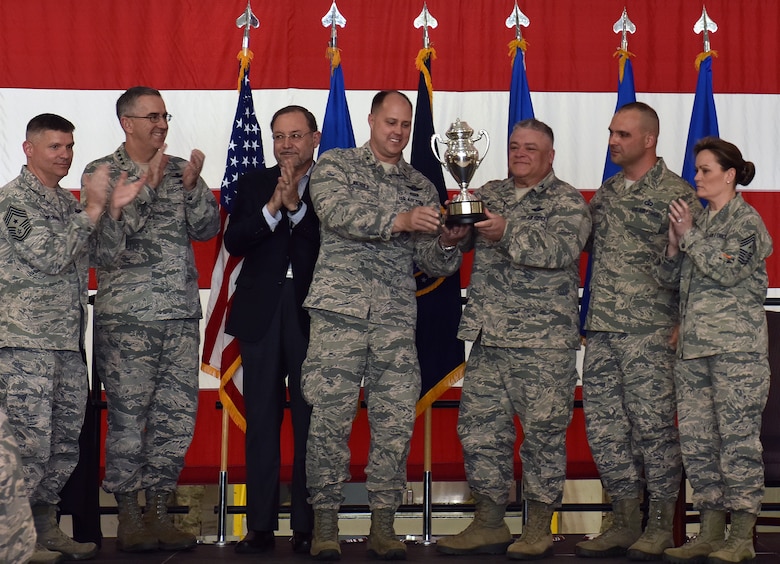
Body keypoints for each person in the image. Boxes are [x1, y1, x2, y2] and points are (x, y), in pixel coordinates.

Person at [302, 90, 469, 560]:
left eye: (404, 125)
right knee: (330, 422)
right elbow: (336, 214)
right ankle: (326, 526)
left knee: (394, 424)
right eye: (389, 122)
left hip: (395, 320)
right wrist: (399, 219)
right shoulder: (336, 165)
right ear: (372, 120)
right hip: (340, 314)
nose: (397, 132)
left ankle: (383, 525)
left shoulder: (421, 185)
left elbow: (430, 262)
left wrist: (450, 244)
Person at [435, 119, 591, 560]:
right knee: (480, 432)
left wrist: (509, 233)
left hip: (543, 343)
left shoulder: (569, 202)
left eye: (531, 148)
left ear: (550, 156)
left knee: (543, 435)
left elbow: (562, 251)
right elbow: (456, 250)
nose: (520, 154)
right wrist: (450, 238)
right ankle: (488, 522)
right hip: (489, 337)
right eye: (514, 146)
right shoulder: (489, 192)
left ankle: (539, 526)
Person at [0, 113, 144, 563]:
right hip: (25, 344)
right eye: (54, 146)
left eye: (69, 146)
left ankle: (45, 530)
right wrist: (94, 209)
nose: (64, 154)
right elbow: (50, 255)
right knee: (28, 443)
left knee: (62, 444)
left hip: (65, 342)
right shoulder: (14, 202)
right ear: (29, 149)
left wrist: (114, 210)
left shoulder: (66, 204)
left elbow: (105, 254)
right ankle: (17, 540)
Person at [84, 86, 220, 553]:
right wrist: (149, 189)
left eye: (165, 115)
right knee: (127, 420)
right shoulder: (102, 172)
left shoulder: (180, 168)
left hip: (180, 316)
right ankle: (128, 517)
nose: (162, 124)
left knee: (175, 419)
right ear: (127, 122)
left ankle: (159, 512)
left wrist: (192, 188)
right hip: (128, 322)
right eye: (151, 117)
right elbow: (106, 246)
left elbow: (206, 229)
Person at [576, 102, 702, 560]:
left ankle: (660, 526)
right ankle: (624, 521)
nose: (613, 141)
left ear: (649, 139)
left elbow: (694, 265)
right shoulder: (606, 192)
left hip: (650, 332)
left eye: (623, 134)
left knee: (652, 430)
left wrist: (683, 323)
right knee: (605, 430)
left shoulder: (676, 192)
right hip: (604, 332)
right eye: (611, 133)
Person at [658, 137, 772, 564]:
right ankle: (708, 531)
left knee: (737, 442)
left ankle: (741, 535)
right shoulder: (697, 223)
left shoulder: (747, 223)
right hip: (693, 351)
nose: (697, 177)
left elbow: (727, 270)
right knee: (698, 442)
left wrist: (688, 237)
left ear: (729, 175)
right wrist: (674, 244)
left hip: (735, 353)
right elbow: (670, 279)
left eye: (706, 170)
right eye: (697, 169)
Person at [224, 105, 321, 555]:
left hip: (311, 314)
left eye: (296, 135)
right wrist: (271, 208)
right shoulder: (254, 182)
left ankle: (307, 526)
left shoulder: (333, 185)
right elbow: (234, 240)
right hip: (260, 314)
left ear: (315, 139)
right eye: (279, 136)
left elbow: (325, 242)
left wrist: (297, 208)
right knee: (261, 420)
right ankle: (260, 526)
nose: (286, 144)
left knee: (310, 423)